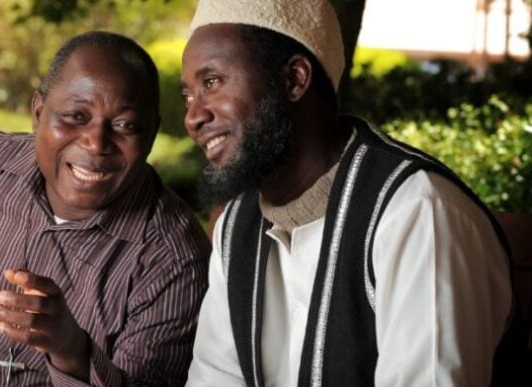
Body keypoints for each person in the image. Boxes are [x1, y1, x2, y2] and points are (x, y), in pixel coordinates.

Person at [180, 0, 518, 386]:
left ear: (294, 79)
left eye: (211, 83)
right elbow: (215, 377)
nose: (194, 116)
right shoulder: (237, 224)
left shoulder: (415, 212)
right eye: (187, 95)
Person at [0, 31, 210, 387]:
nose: (96, 142)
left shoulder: (176, 260)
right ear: (38, 112)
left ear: (151, 134)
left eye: (125, 125)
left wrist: (72, 351)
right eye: (75, 115)